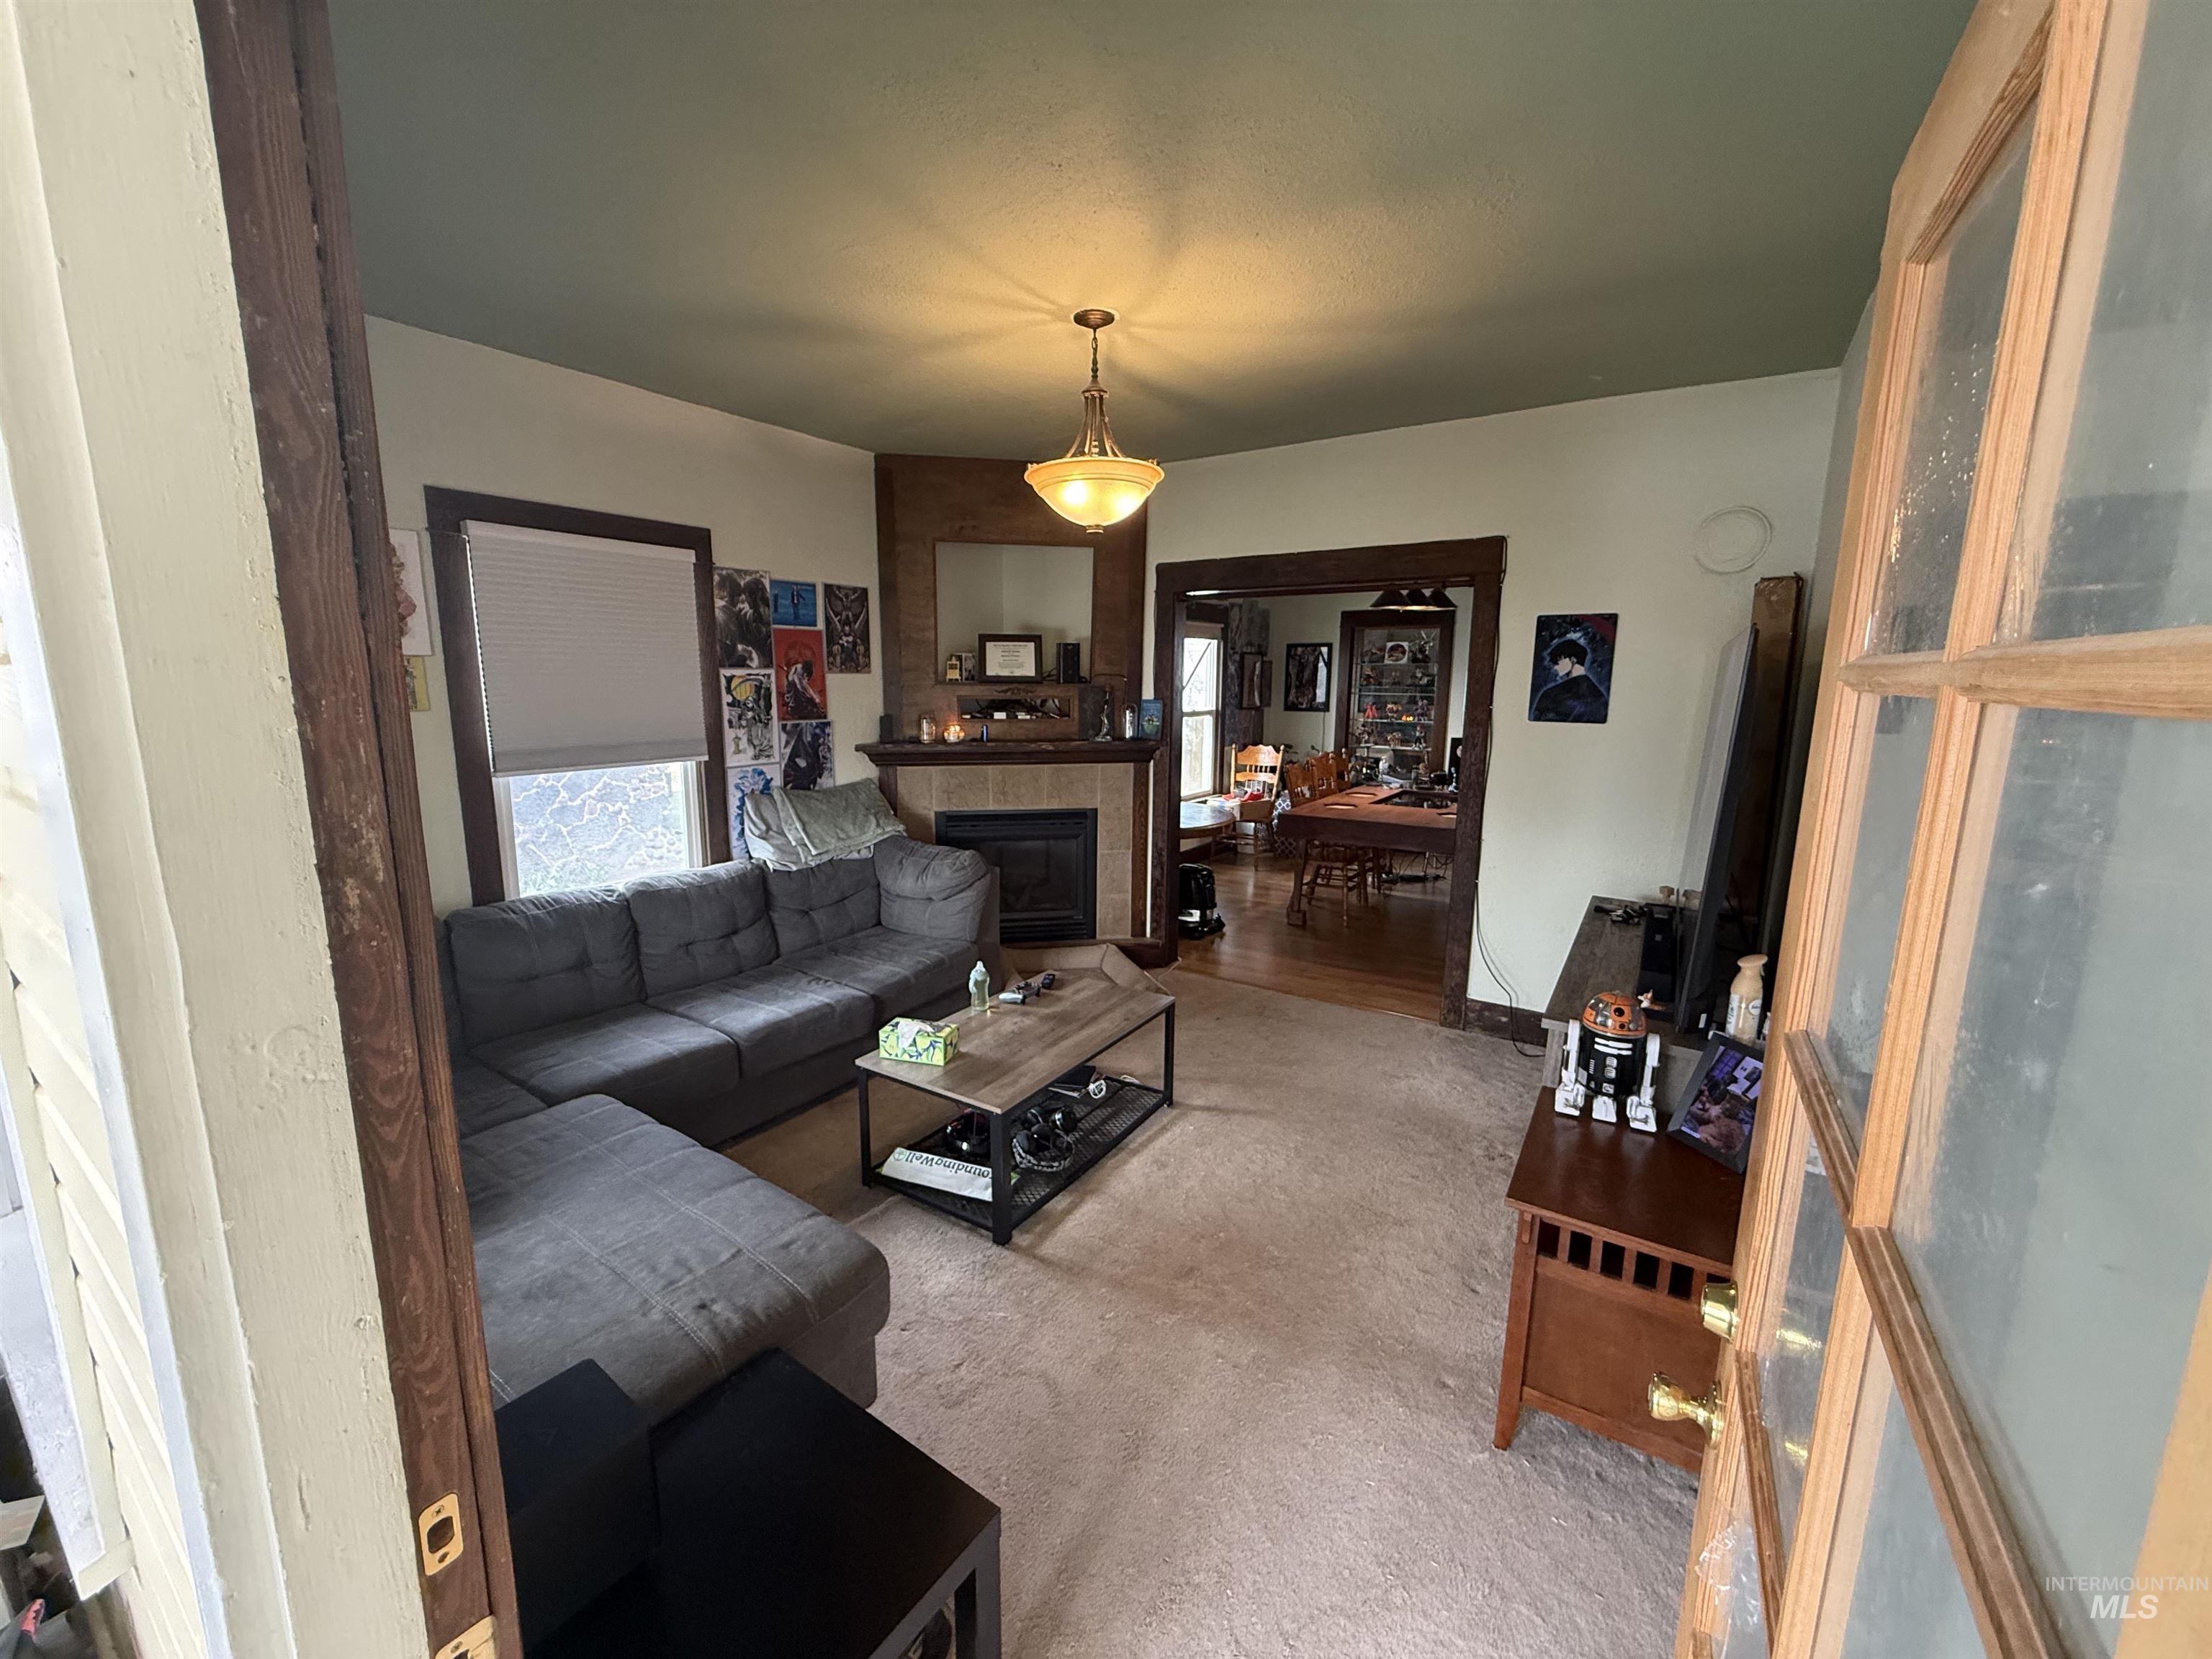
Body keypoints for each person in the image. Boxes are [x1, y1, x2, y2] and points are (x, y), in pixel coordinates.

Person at [1534, 637, 1608, 724]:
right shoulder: (1600, 696)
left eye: (1557, 661)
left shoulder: (1552, 694)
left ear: (1573, 660)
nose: (1555, 667)